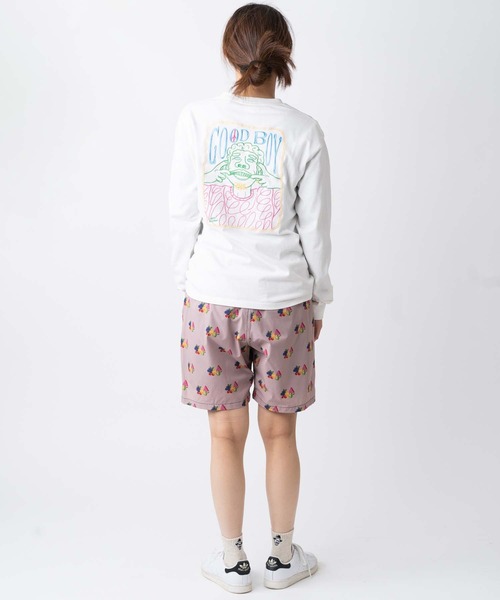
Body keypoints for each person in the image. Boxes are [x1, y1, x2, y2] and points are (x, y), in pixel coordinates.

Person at [168, 2, 333, 593]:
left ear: (228, 52)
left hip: (211, 302)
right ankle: (283, 558)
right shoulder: (304, 131)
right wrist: (318, 301)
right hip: (284, 303)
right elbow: (316, 233)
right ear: (284, 54)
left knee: (223, 435)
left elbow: (181, 216)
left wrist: (189, 288)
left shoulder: (197, 119)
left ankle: (233, 561)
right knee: (280, 435)